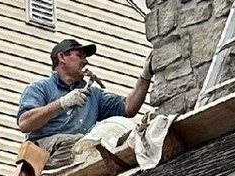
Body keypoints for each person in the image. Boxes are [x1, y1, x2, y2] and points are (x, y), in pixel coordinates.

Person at [16, 37, 153, 144]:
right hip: (46, 152)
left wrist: (145, 77)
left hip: (79, 148)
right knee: (85, 144)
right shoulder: (40, 87)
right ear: (62, 57)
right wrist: (62, 103)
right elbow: (24, 123)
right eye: (80, 56)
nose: (86, 61)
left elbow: (128, 107)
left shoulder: (93, 95)